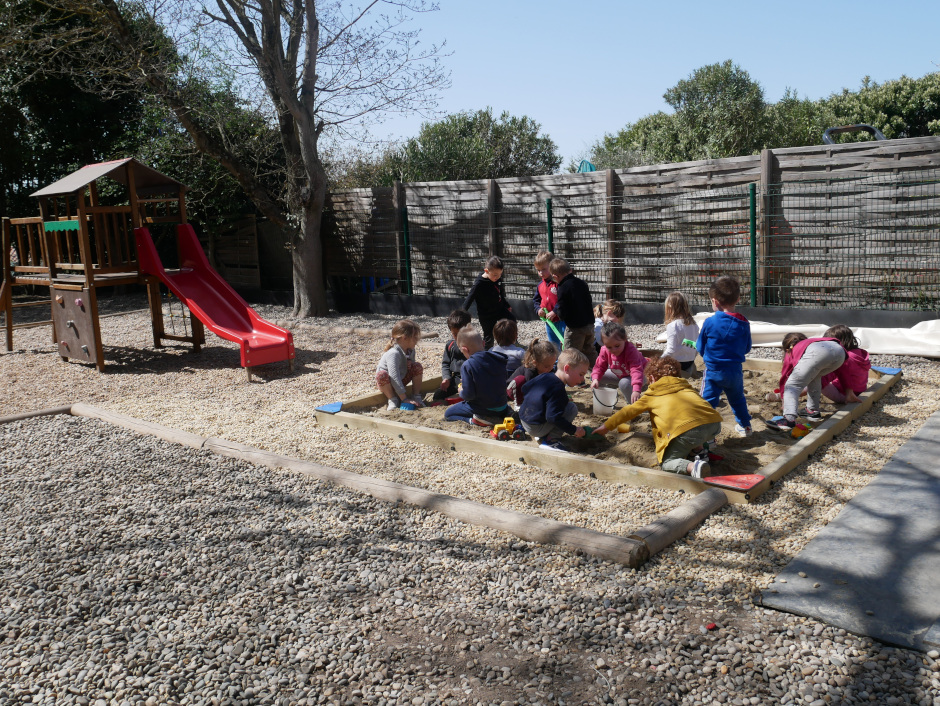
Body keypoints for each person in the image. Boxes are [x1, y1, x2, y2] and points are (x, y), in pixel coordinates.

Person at [591, 356, 721, 479]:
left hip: (689, 432)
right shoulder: (686, 387)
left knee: (667, 463)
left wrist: (606, 426)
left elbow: (627, 411)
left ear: (652, 378)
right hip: (713, 424)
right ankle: (700, 450)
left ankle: (694, 467)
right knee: (694, 426)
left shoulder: (652, 394)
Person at [695, 275, 752, 437]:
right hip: (735, 372)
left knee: (706, 403)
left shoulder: (710, 322)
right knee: (738, 400)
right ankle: (745, 426)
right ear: (738, 299)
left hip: (713, 371)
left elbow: (700, 346)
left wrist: (707, 354)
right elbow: (747, 347)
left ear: (715, 301)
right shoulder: (744, 323)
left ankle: (705, 434)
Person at [769, 332, 850, 432]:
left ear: (787, 349)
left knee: (792, 385)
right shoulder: (810, 342)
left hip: (819, 353)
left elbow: (785, 377)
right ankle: (812, 410)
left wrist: (784, 400)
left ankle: (789, 419)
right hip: (840, 352)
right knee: (815, 375)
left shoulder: (792, 350)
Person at [518, 348, 591, 452]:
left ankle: (544, 434)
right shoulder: (558, 389)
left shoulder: (545, 375)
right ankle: (550, 440)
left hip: (524, 419)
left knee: (563, 405)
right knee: (571, 408)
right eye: (581, 374)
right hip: (535, 428)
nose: (583, 379)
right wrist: (574, 430)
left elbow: (525, 388)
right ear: (567, 369)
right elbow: (552, 417)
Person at [444, 326, 511, 426]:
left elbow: (469, 395)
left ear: (465, 349)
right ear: (483, 343)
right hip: (502, 406)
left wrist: (461, 390)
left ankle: (474, 421)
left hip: (483, 408)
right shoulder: (498, 359)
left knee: (448, 414)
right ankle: (507, 412)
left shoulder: (468, 365)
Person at [548, 257, 596, 366]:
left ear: (555, 276)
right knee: (589, 351)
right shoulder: (581, 283)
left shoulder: (563, 288)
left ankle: (574, 378)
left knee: (571, 353)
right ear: (570, 270)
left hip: (575, 328)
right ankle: (597, 374)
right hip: (589, 324)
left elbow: (562, 307)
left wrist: (560, 316)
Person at [462, 255, 515, 349]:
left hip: (499, 309)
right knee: (489, 337)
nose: (498, 277)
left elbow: (500, 293)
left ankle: (509, 344)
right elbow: (470, 298)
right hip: (486, 315)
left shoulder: (497, 278)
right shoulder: (479, 283)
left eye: (500, 274)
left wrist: (506, 305)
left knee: (511, 321)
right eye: (495, 275)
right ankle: (486, 354)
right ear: (486, 271)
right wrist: (462, 313)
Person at [591, 321, 647, 404]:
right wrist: (595, 379)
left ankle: (635, 406)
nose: (613, 350)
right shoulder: (604, 350)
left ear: (624, 339)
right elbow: (599, 367)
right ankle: (605, 402)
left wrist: (636, 389)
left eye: (617, 346)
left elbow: (636, 369)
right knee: (596, 378)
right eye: (609, 347)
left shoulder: (630, 350)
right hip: (621, 374)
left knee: (624, 383)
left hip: (641, 374)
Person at [376, 320, 424, 411]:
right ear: (404, 338)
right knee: (381, 375)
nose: (417, 341)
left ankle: (416, 396)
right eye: (414, 337)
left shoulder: (410, 350)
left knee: (417, 366)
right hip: (387, 383)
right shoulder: (394, 353)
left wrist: (409, 364)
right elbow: (394, 377)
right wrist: (404, 399)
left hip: (401, 379)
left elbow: (411, 368)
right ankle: (393, 399)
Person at [821, 324, 870, 403]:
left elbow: (828, 376)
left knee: (817, 379)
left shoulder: (845, 359)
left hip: (844, 394)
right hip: (860, 392)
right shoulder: (859, 353)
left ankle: (809, 402)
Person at [507, 339, 559, 408]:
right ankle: (519, 404)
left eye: (553, 364)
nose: (550, 368)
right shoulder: (530, 372)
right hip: (513, 391)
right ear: (535, 363)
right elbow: (530, 390)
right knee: (520, 380)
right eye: (546, 366)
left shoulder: (549, 370)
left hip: (530, 391)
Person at [434, 309, 472, 401]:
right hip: (456, 380)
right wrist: (446, 378)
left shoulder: (474, 344)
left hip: (471, 380)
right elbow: (445, 364)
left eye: (461, 333)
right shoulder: (450, 345)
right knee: (438, 395)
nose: (458, 337)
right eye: (455, 334)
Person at [661, 291, 699, 376]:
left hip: (677, 364)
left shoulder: (673, 326)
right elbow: (695, 345)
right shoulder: (694, 324)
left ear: (670, 308)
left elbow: (671, 350)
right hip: (690, 362)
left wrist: (659, 360)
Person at [532, 250, 565, 347]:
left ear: (552, 266)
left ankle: (566, 360)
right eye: (538, 270)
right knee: (553, 344)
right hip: (549, 322)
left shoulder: (558, 283)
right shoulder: (540, 285)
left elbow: (563, 300)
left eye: (543, 269)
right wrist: (538, 309)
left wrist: (555, 311)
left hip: (562, 319)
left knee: (565, 342)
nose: (541, 273)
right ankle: (555, 361)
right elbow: (536, 300)